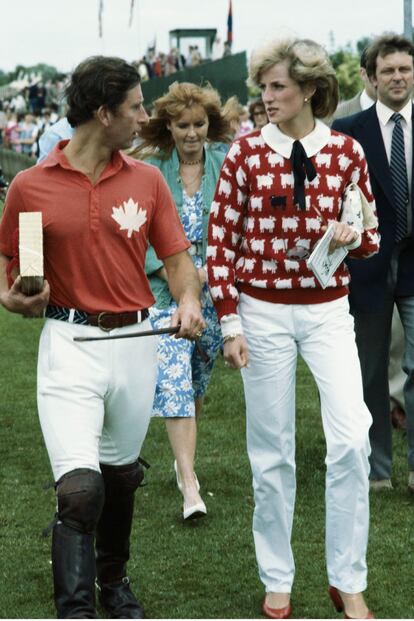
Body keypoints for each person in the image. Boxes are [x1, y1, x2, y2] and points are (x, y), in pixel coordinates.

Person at [0, 55, 205, 619]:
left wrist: (188, 298)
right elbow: (8, 263)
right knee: (81, 491)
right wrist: (10, 294)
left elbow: (179, 262)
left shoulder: (146, 179)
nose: (144, 117)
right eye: (135, 107)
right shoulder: (30, 185)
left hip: (138, 342)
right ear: (103, 112)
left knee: (117, 480)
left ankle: (113, 582)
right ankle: (77, 609)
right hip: (69, 346)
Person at [206, 37, 379, 619]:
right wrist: (229, 321)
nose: (267, 97)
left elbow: (371, 235)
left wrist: (352, 237)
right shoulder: (245, 153)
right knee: (272, 450)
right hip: (261, 311)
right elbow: (221, 244)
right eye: (264, 88)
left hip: (330, 309)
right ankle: (276, 578)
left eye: (278, 86)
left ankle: (347, 578)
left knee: (353, 437)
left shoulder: (348, 152)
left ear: (309, 89)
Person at [132, 81, 231, 520]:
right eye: (182, 125)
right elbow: (141, 234)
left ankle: (181, 456)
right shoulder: (151, 170)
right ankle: (190, 484)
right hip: (161, 289)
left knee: (194, 383)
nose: (192, 134)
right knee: (172, 374)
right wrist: (177, 272)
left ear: (210, 124)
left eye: (199, 125)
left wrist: (210, 272)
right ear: (167, 127)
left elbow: (236, 225)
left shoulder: (226, 165)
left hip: (214, 289)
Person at [332, 34, 414, 493]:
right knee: (370, 371)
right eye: (388, 71)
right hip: (366, 268)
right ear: (371, 77)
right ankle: (377, 468)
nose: (397, 77)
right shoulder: (348, 131)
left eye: (404, 69)